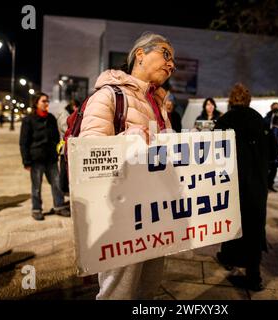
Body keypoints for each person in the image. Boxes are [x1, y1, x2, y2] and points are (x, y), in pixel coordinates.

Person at [78, 32, 175, 299]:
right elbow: (87, 153)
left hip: (155, 210)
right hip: (120, 215)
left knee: (148, 287)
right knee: (118, 292)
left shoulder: (158, 102)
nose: (171, 64)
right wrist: (127, 141)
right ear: (140, 54)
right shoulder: (109, 96)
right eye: (166, 54)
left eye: (173, 60)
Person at [214, 83, 268, 292]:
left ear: (230, 100)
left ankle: (229, 257)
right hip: (256, 184)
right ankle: (254, 274)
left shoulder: (225, 120)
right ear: (248, 99)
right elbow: (271, 152)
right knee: (254, 227)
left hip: (231, 182)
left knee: (229, 221)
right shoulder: (258, 119)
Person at [19, 92, 70, 221]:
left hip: (51, 158)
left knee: (57, 184)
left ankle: (59, 206)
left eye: (47, 101)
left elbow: (56, 138)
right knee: (36, 186)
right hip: (36, 159)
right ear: (36, 103)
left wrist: (57, 151)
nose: (46, 103)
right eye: (43, 101)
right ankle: (36, 209)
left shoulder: (51, 118)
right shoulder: (28, 120)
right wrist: (26, 161)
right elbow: (24, 141)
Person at [264, 102, 278, 192]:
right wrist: (271, 117)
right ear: (271, 107)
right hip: (268, 147)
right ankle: (265, 185)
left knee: (275, 167)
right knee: (267, 167)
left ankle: (270, 184)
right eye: (274, 107)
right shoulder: (268, 117)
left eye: (277, 107)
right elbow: (264, 126)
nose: (275, 109)